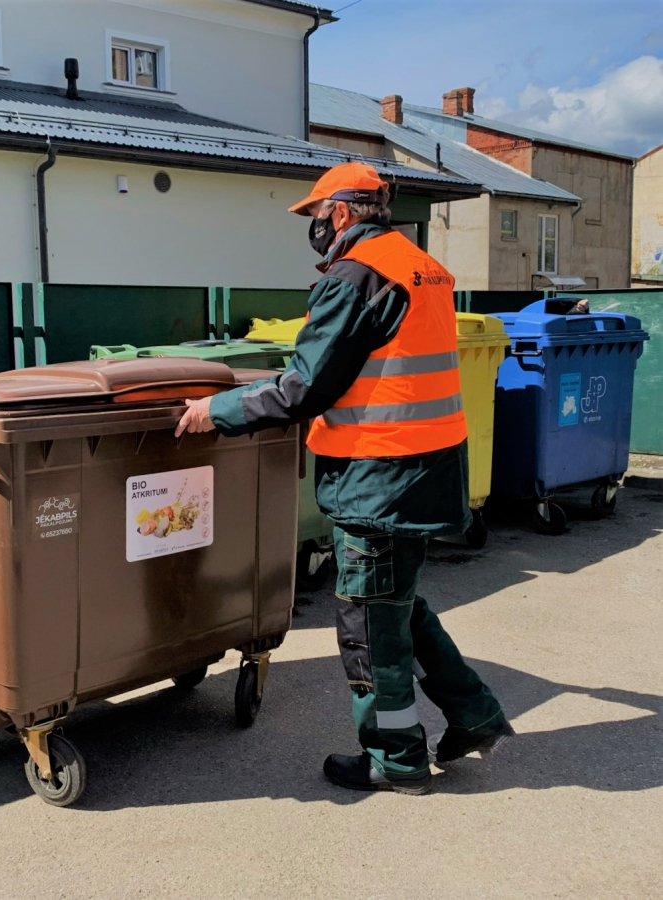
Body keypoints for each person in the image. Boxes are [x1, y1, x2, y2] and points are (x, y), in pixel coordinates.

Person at [175, 162, 512, 795]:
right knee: (398, 607)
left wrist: (214, 411)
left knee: (368, 625)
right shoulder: (419, 265)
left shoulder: (357, 275)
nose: (313, 227)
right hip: (427, 465)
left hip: (379, 476)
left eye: (315, 216)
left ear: (343, 212)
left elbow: (305, 385)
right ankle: (475, 714)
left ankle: (396, 758)